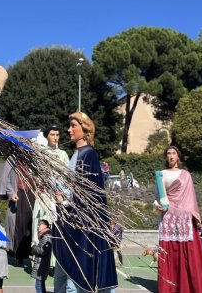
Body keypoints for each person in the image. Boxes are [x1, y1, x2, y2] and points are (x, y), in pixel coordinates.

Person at [53, 111, 117, 293]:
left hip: (82, 224)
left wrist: (65, 201)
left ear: (85, 129)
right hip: (73, 220)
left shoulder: (88, 155)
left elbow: (88, 194)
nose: (69, 129)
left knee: (78, 276)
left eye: (73, 126)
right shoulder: (77, 154)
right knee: (69, 275)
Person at [152, 146, 202, 292]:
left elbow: (191, 199)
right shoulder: (161, 174)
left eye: (173, 153)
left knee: (187, 252)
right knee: (169, 252)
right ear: (166, 157)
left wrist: (195, 219)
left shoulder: (186, 175)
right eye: (168, 153)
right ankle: (169, 286)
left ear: (178, 156)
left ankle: (189, 286)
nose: (171, 156)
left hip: (184, 218)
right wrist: (158, 205)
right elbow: (157, 198)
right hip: (168, 217)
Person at [31, 219, 53, 293]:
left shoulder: (46, 237)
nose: (38, 227)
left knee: (39, 287)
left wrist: (34, 246)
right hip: (41, 265)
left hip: (41, 266)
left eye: (39, 225)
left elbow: (43, 251)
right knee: (41, 286)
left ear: (45, 226)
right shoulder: (44, 236)